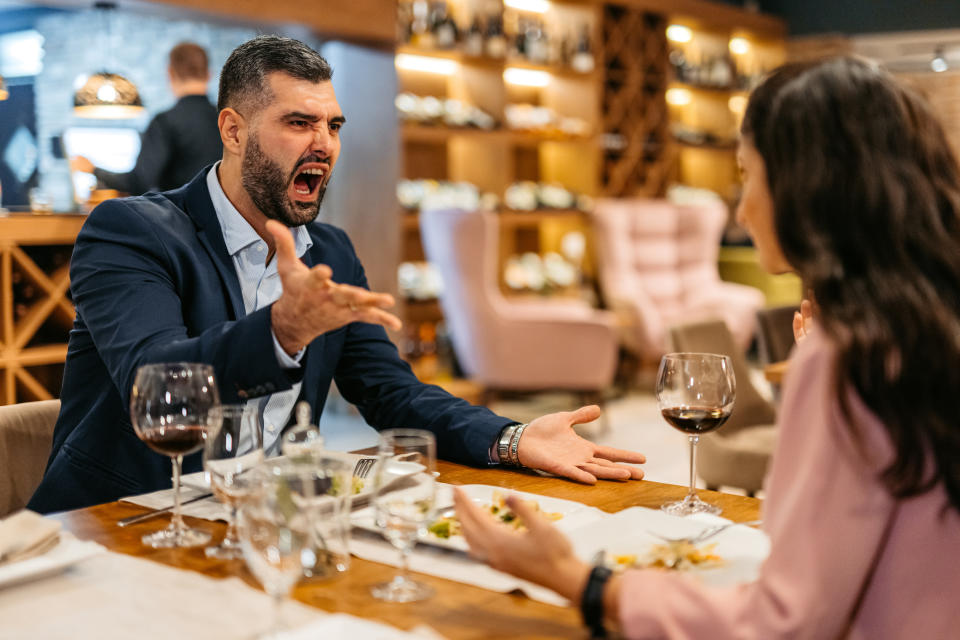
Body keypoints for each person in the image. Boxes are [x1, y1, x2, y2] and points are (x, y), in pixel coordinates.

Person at [28, 35, 645, 514]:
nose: (323, 142)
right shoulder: (130, 231)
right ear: (234, 130)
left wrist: (511, 438)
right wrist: (282, 331)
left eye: (333, 125)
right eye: (299, 122)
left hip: (263, 519)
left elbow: (389, 390)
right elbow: (156, 385)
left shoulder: (331, 251)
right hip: (118, 523)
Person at [453, 57, 960, 638]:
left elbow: (785, 623)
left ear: (808, 184)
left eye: (748, 175)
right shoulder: (928, 321)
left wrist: (578, 580)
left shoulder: (850, 353)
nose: (741, 211)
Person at [70, 42, 222, 194]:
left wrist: (92, 169)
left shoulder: (166, 122)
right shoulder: (226, 120)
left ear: (170, 73)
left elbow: (139, 182)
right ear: (209, 73)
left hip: (180, 215)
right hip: (223, 216)